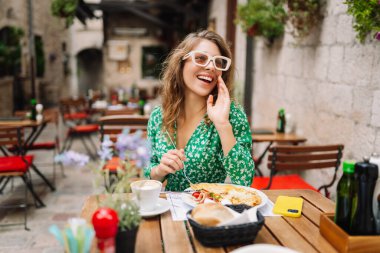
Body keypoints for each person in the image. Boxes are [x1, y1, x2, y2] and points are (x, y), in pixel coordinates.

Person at [143, 30, 254, 191]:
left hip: (209, 212)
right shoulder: (158, 115)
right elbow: (148, 169)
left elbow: (245, 180)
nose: (210, 67)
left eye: (218, 62)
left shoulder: (231, 114)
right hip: (168, 212)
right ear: (181, 63)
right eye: (201, 58)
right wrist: (159, 170)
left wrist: (223, 124)